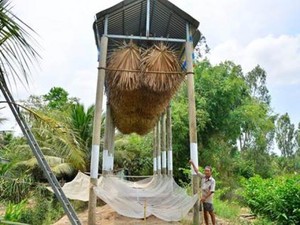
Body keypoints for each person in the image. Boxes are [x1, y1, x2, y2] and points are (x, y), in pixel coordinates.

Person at [189, 160, 216, 225]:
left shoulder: (212, 180)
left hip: (208, 199)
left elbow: (212, 191)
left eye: (208, 171)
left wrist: (205, 198)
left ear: (210, 172)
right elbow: (196, 171)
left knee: (211, 212)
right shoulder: (203, 177)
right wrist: (192, 163)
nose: (206, 172)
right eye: (205, 171)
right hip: (203, 198)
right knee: (205, 212)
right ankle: (207, 224)